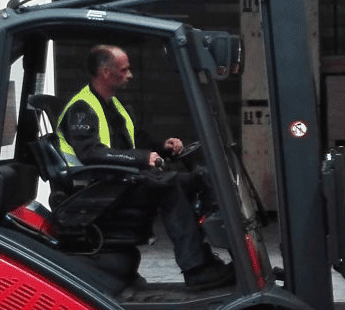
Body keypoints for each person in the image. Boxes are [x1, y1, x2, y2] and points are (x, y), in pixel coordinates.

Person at [57, 44, 233, 291]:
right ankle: (196, 268)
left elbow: (136, 139)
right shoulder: (82, 109)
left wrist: (163, 146)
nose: (130, 75)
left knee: (198, 178)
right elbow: (90, 153)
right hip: (99, 191)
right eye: (124, 69)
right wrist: (142, 159)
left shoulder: (113, 105)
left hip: (118, 182)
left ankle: (213, 255)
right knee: (168, 187)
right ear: (106, 72)